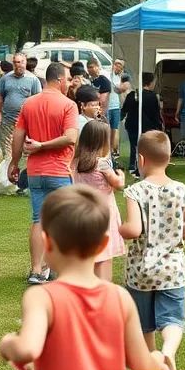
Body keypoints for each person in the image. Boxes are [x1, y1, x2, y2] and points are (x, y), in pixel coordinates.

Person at [0, 186, 169, 370]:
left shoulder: (43, 297)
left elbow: (28, 348)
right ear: (104, 244)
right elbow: (142, 365)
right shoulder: (120, 299)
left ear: (46, 242)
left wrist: (8, 344)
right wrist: (160, 361)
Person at [123, 130, 185, 370]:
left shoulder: (135, 191)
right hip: (173, 269)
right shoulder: (180, 190)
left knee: (143, 323)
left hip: (141, 270)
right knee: (173, 320)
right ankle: (168, 350)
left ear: (141, 159)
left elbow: (134, 229)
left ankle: (151, 367)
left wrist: (119, 228)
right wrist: (174, 239)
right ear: (169, 159)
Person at [9, 62, 79, 285]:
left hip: (35, 172)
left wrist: (13, 162)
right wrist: (42, 145)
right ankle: (59, 267)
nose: (68, 83)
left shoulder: (29, 104)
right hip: (59, 170)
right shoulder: (68, 105)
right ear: (59, 80)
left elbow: (18, 136)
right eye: (67, 79)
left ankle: (37, 270)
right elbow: (71, 138)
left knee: (38, 220)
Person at [71, 119, 126, 282]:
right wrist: (121, 176)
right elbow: (118, 184)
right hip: (104, 211)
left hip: (82, 210)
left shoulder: (76, 162)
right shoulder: (101, 163)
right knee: (104, 254)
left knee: (88, 253)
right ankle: (103, 290)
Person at [0, 53, 42, 174]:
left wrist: (32, 119)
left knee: (24, 151)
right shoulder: (5, 78)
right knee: (7, 150)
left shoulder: (33, 80)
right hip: (7, 121)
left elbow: (38, 101)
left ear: (25, 63)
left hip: (25, 124)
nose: (18, 65)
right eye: (16, 63)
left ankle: (22, 176)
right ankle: (7, 177)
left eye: (21, 62)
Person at [121, 72, 163, 175]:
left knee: (134, 146)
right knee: (144, 148)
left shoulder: (132, 95)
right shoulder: (152, 97)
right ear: (151, 82)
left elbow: (124, 110)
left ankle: (132, 165)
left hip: (132, 124)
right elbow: (155, 114)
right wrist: (159, 126)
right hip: (147, 126)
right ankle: (142, 166)